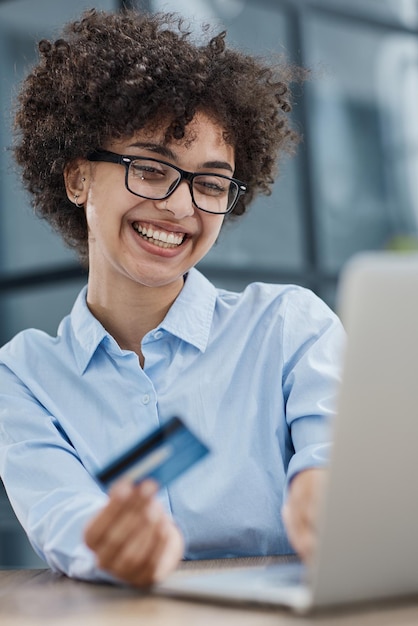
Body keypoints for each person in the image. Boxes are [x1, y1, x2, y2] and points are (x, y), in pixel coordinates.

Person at [0, 8, 345, 587]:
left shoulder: (291, 328)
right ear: (78, 178)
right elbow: (63, 513)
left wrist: (328, 493)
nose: (181, 209)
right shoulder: (22, 376)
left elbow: (334, 460)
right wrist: (112, 545)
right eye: (152, 168)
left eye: (210, 183)